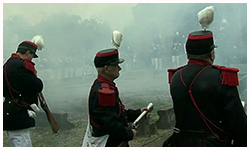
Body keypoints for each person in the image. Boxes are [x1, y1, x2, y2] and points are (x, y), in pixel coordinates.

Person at [164, 30, 247, 147]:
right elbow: (239, 124)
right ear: (212, 54)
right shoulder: (221, 77)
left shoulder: (176, 76)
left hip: (181, 143)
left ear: (187, 54)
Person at [82, 48, 149, 147]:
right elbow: (110, 123)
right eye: (116, 65)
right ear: (106, 69)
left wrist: (137, 113)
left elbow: (116, 113)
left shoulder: (104, 86)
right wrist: (128, 133)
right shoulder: (103, 92)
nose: (119, 68)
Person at [3, 40, 44, 147]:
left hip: (11, 108)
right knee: (21, 142)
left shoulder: (8, 63)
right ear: (27, 53)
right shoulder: (21, 66)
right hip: (18, 110)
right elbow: (36, 85)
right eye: (31, 55)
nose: (31, 59)